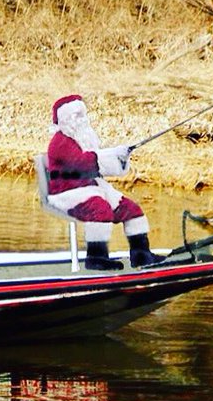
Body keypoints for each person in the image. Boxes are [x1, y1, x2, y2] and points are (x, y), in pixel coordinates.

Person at [46, 94, 159, 270]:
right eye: (77, 116)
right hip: (67, 193)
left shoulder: (82, 140)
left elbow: (98, 163)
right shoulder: (60, 143)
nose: (82, 120)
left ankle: (141, 255)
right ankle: (95, 258)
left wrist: (120, 155)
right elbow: (84, 164)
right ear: (65, 120)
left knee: (132, 210)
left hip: (91, 187)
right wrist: (112, 153)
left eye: (83, 115)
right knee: (99, 209)